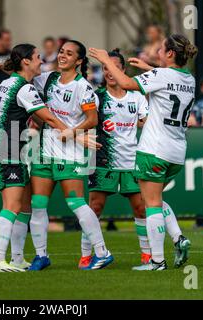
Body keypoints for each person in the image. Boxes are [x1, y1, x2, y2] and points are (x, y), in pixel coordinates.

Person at [90, 33, 197, 271]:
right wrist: (149, 68)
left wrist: (107, 61)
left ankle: (156, 261)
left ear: (170, 54)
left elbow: (127, 84)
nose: (157, 51)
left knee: (152, 205)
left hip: (154, 150)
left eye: (161, 49)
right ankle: (178, 237)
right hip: (177, 152)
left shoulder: (160, 75)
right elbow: (169, 79)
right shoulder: (189, 79)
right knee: (156, 199)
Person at [0, 43, 75, 272]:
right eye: (37, 57)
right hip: (7, 149)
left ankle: (16, 258)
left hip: (12, 148)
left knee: (25, 207)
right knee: (12, 205)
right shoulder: (24, 89)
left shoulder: (8, 83)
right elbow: (49, 119)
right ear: (25, 61)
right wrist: (77, 134)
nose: (41, 61)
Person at [29, 40, 114, 271]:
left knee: (76, 203)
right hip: (45, 151)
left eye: (69, 54)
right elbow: (24, 75)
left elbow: (92, 120)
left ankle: (102, 252)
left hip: (71, 153)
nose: (62, 56)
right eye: (61, 52)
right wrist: (1, 67)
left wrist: (71, 132)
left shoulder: (83, 87)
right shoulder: (47, 79)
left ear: (78, 61)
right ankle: (41, 256)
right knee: (37, 205)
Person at [79, 49, 151, 268]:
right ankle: (85, 255)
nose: (109, 71)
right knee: (95, 208)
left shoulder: (137, 97)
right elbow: (86, 120)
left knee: (140, 208)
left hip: (131, 161)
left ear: (122, 70)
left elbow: (145, 121)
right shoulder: (96, 97)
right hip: (102, 160)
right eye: (105, 67)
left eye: (113, 66)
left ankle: (147, 254)